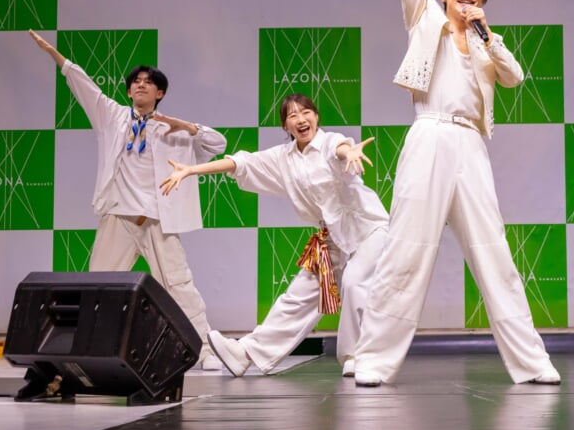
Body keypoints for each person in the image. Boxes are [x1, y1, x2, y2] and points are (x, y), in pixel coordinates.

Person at [350, 0, 560, 387]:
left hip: (470, 145)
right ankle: (374, 359)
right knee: (406, 250)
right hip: (430, 134)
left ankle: (532, 363)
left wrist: (487, 34)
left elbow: (514, 77)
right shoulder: (424, 17)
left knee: (495, 253)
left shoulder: (489, 40)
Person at [28, 30, 226, 369]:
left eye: (148, 82)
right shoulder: (113, 117)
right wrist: (55, 55)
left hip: (157, 220)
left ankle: (204, 350)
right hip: (119, 217)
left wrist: (187, 126)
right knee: (99, 285)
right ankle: (89, 350)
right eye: (136, 81)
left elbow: (218, 145)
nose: (140, 85)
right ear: (129, 90)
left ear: (160, 93)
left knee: (179, 286)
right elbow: (84, 85)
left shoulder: (171, 128)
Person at [159, 93, 389, 378]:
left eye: (305, 112)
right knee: (298, 297)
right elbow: (241, 164)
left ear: (316, 116)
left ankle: (357, 356)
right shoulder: (284, 158)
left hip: (368, 230)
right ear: (285, 126)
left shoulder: (330, 142)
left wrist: (349, 152)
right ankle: (245, 354)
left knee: (354, 283)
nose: (301, 119)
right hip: (331, 239)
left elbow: (340, 148)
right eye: (292, 115)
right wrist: (191, 170)